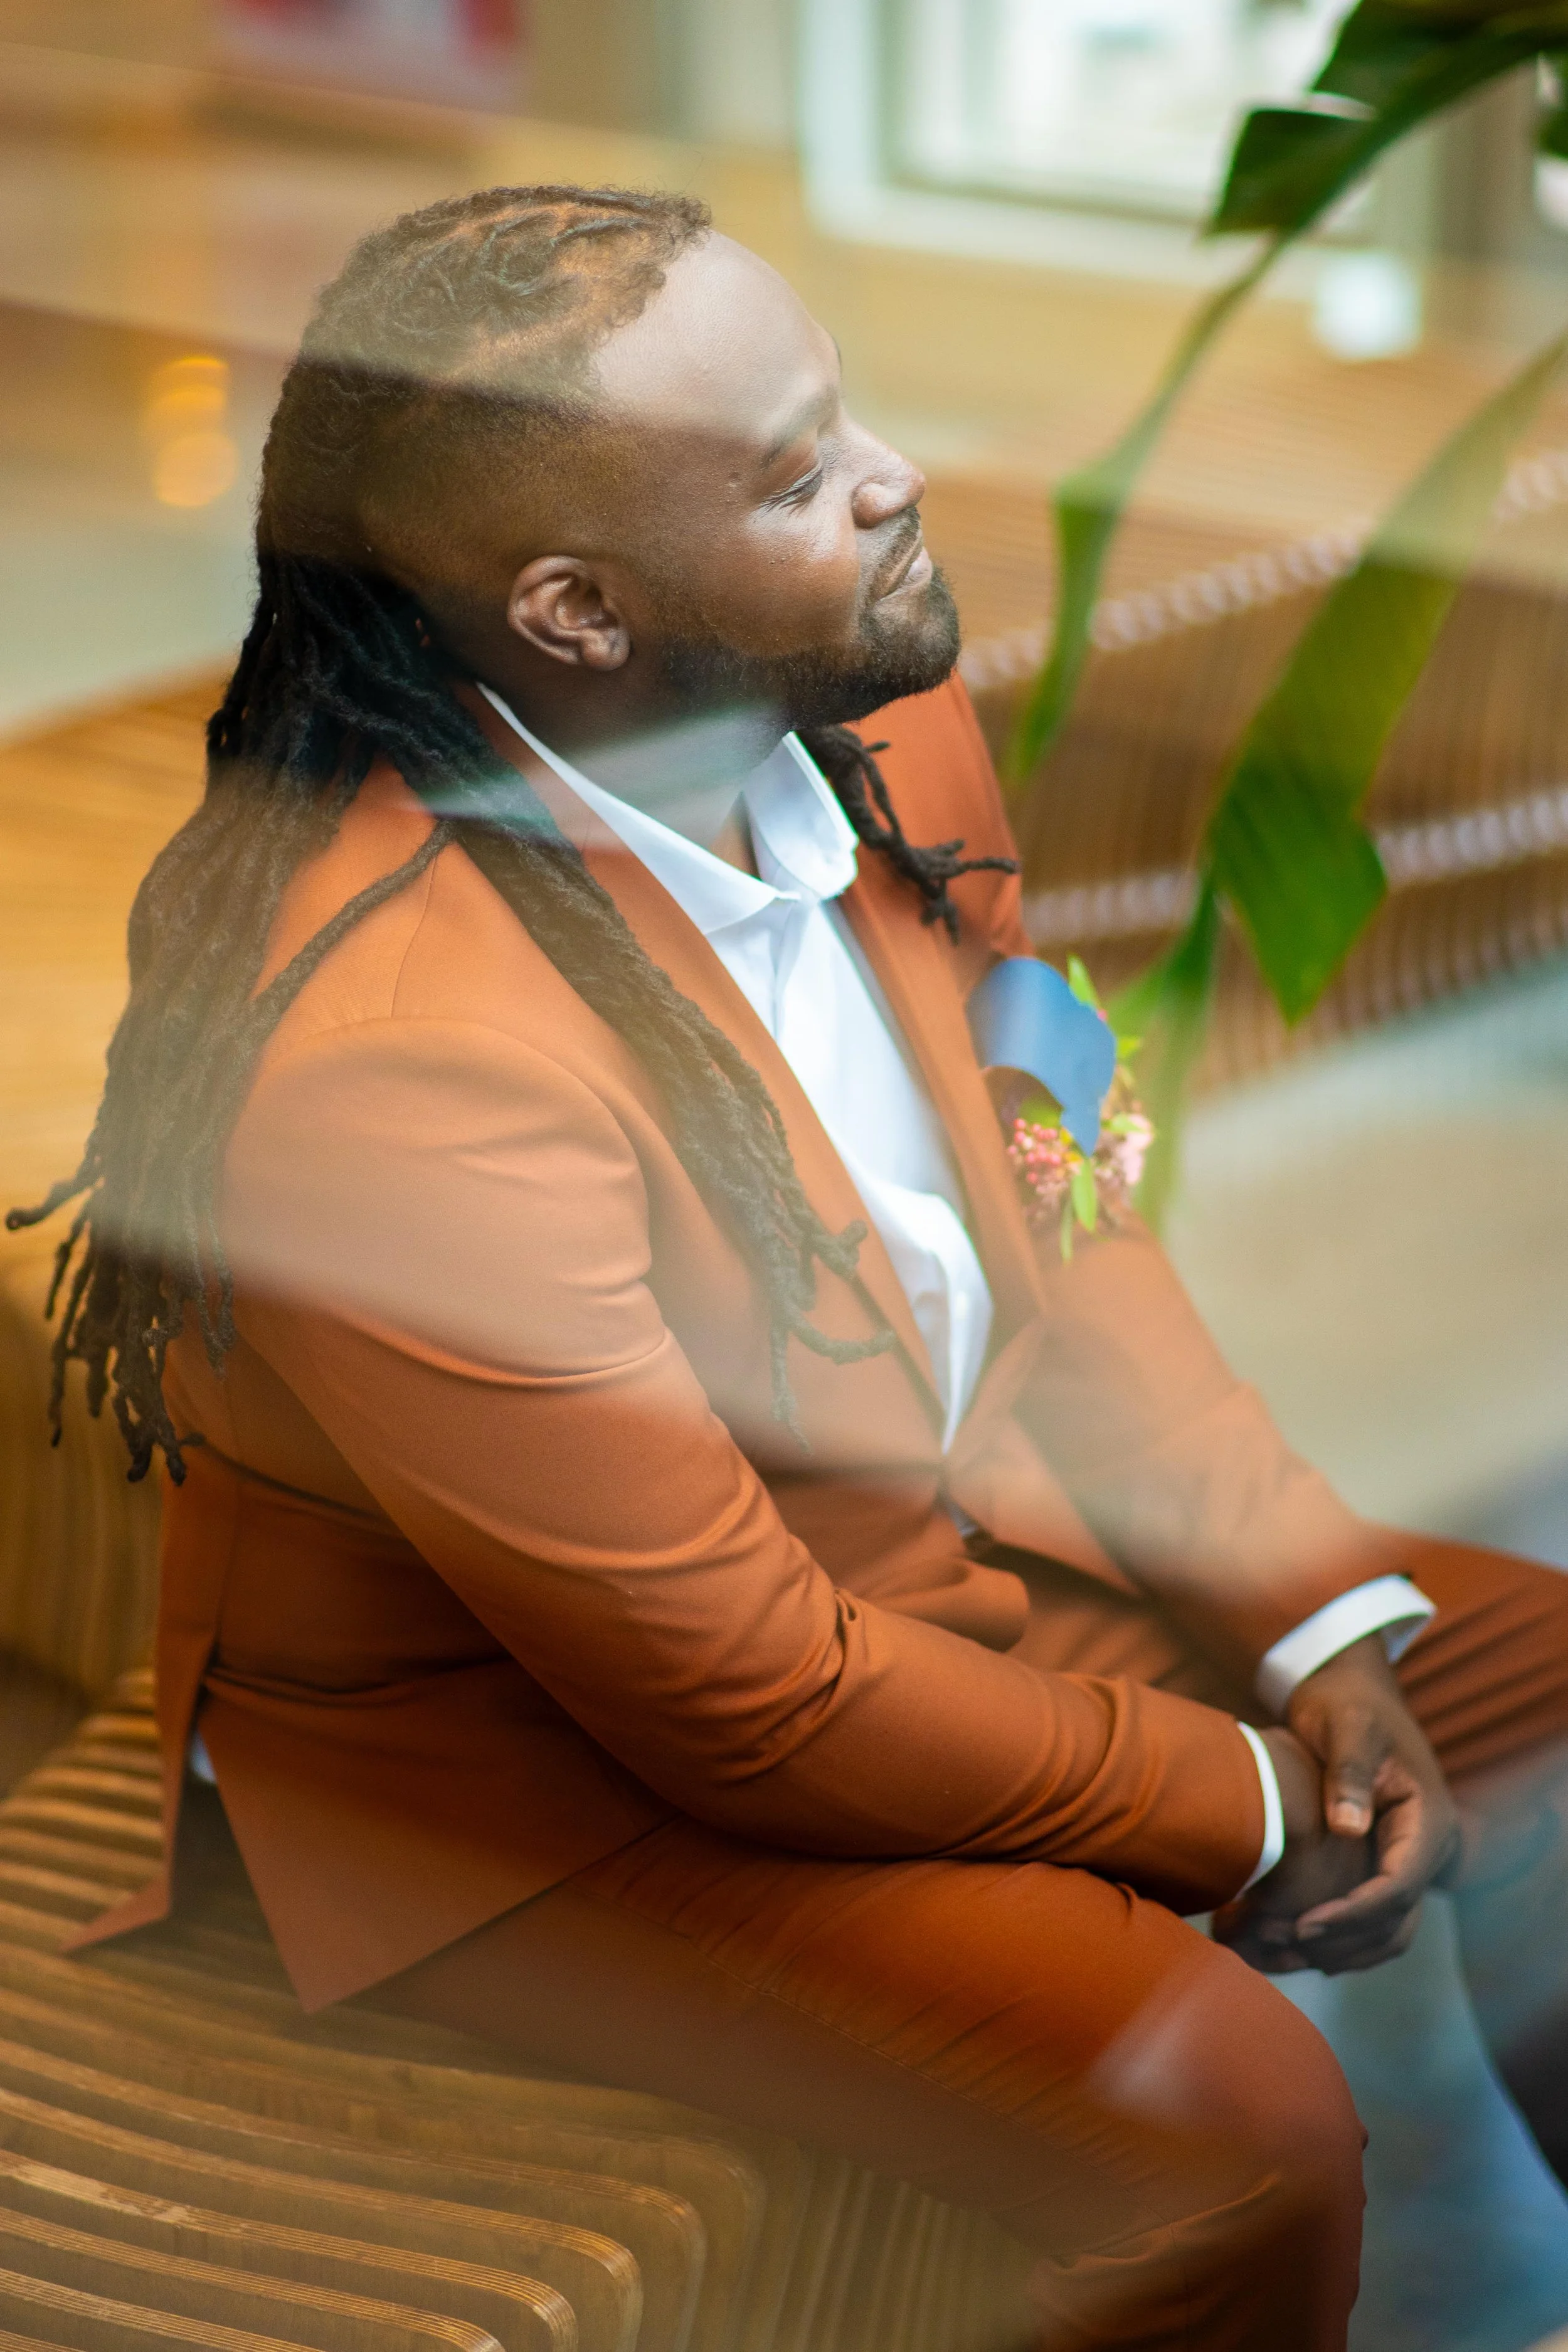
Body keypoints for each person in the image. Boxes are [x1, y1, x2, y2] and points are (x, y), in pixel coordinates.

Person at [14, 184, 1568, 2349]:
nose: (892, 478)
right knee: (1236, 2121)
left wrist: (1310, 1622)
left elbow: (1062, 1193)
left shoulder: (883, 730)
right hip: (541, 1774)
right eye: (790, 469)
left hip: (915, 1554)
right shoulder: (402, 1061)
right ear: (577, 610)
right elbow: (746, 1698)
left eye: (847, 412)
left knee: (1538, 1688)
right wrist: (1240, 1800)